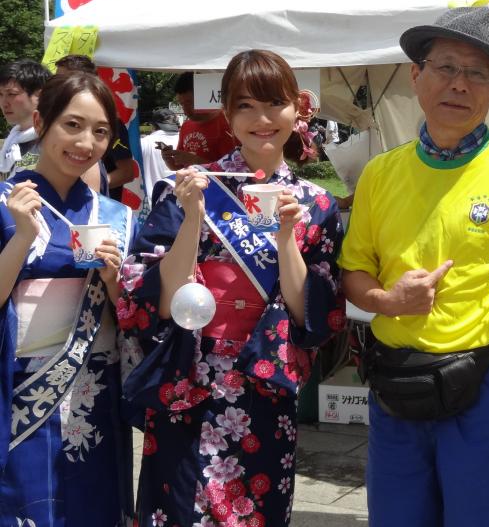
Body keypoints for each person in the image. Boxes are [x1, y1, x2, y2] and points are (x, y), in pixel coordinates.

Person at [340, 6, 489, 526]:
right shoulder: (381, 174)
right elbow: (354, 272)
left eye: (477, 72)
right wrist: (387, 301)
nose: (460, 84)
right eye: (446, 67)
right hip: (396, 383)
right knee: (396, 517)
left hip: (486, 383)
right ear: (416, 75)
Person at [118, 50, 344, 526]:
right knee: (177, 511)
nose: (262, 120)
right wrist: (193, 217)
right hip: (190, 379)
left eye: (275, 104)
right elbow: (156, 299)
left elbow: (311, 316)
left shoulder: (316, 204)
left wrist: (286, 239)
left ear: (298, 110)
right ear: (227, 114)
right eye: (245, 106)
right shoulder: (191, 188)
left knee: (256, 513)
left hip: (262, 385)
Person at [0, 72, 132, 525]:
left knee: (89, 505)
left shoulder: (114, 215)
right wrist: (20, 235)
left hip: (90, 391)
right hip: (19, 388)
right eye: (72, 125)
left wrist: (114, 279)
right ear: (41, 121)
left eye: (100, 131)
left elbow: (132, 317)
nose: (86, 143)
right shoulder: (5, 202)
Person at [53, 55, 138, 200]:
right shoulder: (52, 119)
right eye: (55, 80)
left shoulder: (110, 122)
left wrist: (89, 186)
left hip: (98, 210)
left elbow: (127, 172)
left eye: (64, 80)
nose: (57, 86)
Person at [162, 72, 236, 169]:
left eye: (189, 102)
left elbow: (233, 170)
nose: (185, 110)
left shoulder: (228, 124)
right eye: (182, 104)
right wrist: (168, 159)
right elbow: (178, 167)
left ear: (203, 97)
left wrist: (195, 161)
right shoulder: (186, 126)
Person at [0, 60, 51, 180]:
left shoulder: (54, 144)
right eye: (0, 94)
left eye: (12, 94)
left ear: (39, 95)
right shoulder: (13, 140)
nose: (3, 103)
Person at [139, 108, 180, 209]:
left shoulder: (143, 143)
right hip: (180, 204)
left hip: (150, 204)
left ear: (153, 126)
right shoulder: (185, 142)